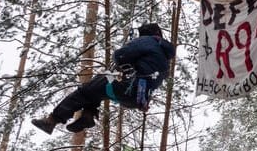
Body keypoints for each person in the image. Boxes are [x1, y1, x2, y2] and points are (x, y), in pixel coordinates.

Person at [32, 23, 176, 134]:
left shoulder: (147, 41)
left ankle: (52, 120)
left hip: (125, 86)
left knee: (85, 91)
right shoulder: (165, 58)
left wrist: (125, 52)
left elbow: (120, 55)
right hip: (136, 99)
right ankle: (87, 116)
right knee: (95, 91)